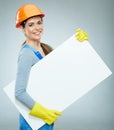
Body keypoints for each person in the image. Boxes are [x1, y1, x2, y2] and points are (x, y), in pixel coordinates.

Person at [15, 4, 89, 130]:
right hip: (33, 118)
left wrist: (81, 44)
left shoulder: (45, 48)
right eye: (31, 24)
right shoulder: (26, 54)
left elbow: (62, 71)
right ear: (23, 29)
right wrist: (43, 112)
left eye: (39, 22)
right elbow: (19, 92)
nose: (37, 28)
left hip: (46, 115)